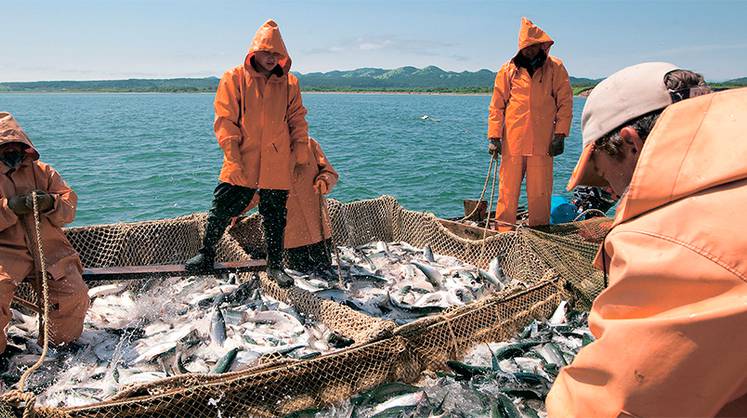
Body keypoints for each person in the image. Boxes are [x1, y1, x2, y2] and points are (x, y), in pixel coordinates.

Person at [546, 62, 747, 417]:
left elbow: (609, 405)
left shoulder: (675, 243)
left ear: (630, 143)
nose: (606, 188)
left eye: (602, 171)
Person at [185, 19, 311, 288]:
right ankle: (206, 254)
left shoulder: (290, 83)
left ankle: (275, 266)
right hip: (241, 158)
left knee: (275, 215)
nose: (272, 58)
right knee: (221, 208)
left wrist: (301, 150)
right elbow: (225, 119)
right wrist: (232, 153)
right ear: (254, 51)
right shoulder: (233, 78)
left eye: (277, 54)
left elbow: (297, 119)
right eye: (267, 52)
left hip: (277, 161)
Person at [0, 112, 90, 354]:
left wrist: (51, 203)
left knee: (74, 294)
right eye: (3, 146)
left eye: (15, 145)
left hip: (50, 250)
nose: (10, 151)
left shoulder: (44, 172)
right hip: (5, 254)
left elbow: (68, 211)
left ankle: (57, 347)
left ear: (25, 145)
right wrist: (9, 208)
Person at [488, 17, 573, 232]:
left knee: (541, 190)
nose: (529, 52)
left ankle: (540, 230)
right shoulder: (507, 70)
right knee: (507, 189)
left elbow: (565, 103)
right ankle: (504, 230)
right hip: (512, 142)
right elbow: (497, 106)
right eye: (525, 48)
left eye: (532, 47)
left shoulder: (556, 68)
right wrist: (494, 137)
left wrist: (560, 134)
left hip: (543, 143)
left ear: (540, 46)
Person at [238, 137, 338, 275]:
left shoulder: (310, 144)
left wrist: (324, 181)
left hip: (319, 231)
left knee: (326, 272)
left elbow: (330, 172)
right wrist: (236, 211)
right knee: (300, 275)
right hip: (291, 237)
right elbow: (254, 193)